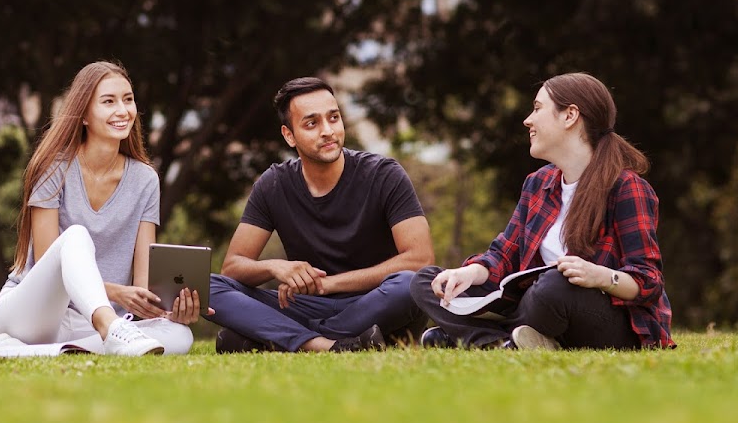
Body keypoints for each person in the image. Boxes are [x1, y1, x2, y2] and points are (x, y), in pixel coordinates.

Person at [411, 72, 674, 350]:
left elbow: (648, 281)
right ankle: (504, 342)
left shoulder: (626, 187)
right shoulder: (537, 184)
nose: (528, 120)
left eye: (537, 108)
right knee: (427, 282)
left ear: (570, 116)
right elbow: (503, 255)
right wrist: (469, 274)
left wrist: (598, 276)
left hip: (601, 317)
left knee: (554, 285)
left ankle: (481, 336)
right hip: (536, 304)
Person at [0, 61, 202, 357]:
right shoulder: (53, 169)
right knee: (74, 237)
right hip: (33, 313)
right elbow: (53, 263)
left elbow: (143, 281)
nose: (123, 111)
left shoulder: (145, 179)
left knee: (179, 335)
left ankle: (29, 352)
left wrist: (168, 308)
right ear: (84, 114)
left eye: (128, 99)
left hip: (90, 325)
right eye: (108, 102)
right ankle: (107, 331)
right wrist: (113, 294)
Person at [208, 76, 433, 353]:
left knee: (411, 284)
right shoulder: (274, 184)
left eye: (334, 118)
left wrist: (328, 284)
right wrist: (274, 267)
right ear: (289, 135)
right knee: (206, 286)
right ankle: (327, 345)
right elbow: (232, 267)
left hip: (373, 302)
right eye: (312, 123)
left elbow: (420, 259)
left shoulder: (384, 174)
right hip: (304, 306)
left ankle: (279, 340)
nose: (328, 131)